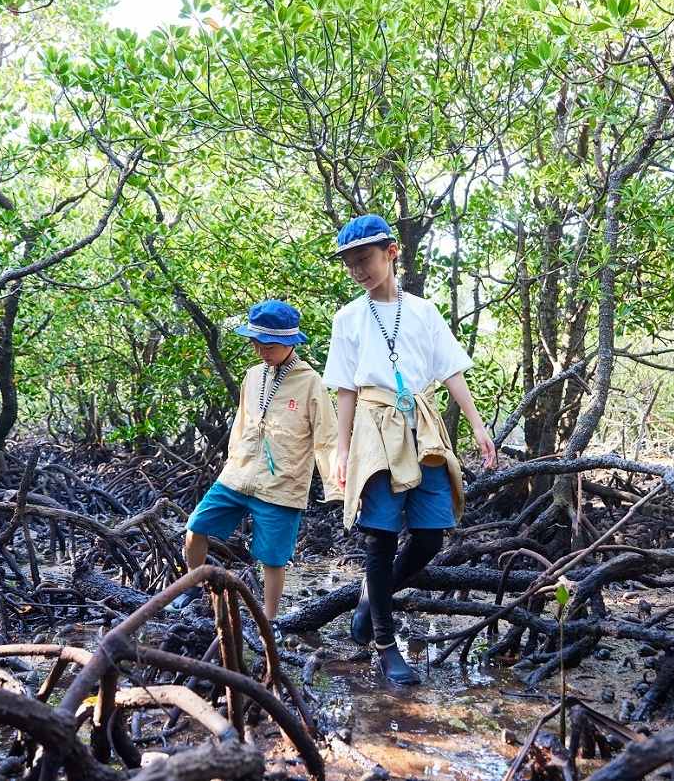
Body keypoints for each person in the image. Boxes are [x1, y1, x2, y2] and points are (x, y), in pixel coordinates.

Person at [323, 214, 495, 685]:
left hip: (424, 424)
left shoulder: (423, 312)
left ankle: (368, 600)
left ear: (391, 253)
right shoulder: (348, 318)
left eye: (366, 260)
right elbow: (343, 389)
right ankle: (384, 643)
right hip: (375, 427)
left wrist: (478, 427)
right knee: (378, 536)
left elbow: (451, 372)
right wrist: (341, 448)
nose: (358, 270)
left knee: (429, 536)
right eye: (351, 264)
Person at [168, 300, 337, 636]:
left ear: (292, 342)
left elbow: (326, 438)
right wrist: (232, 461)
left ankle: (269, 621)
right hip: (238, 474)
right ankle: (191, 586)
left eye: (269, 345)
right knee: (196, 525)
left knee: (272, 558)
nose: (262, 351)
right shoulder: (252, 375)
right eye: (256, 343)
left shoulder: (310, 383)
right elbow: (241, 424)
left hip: (281, 484)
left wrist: (337, 486)